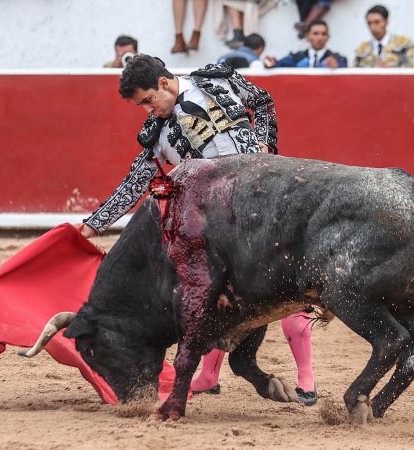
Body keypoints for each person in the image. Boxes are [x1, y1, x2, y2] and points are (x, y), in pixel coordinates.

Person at [79, 54, 317, 406]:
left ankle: (306, 380)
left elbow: (262, 102)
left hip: (269, 194)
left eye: (148, 100)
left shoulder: (216, 79)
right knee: (219, 293)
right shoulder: (159, 135)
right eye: (141, 106)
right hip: (225, 226)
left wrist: (266, 145)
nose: (148, 110)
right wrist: (93, 225)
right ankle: (210, 376)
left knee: (297, 280)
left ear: (163, 83)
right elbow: (134, 183)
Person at [263, 20, 347, 69]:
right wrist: (270, 62)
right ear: (307, 36)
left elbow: (343, 65)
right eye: (316, 33)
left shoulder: (336, 58)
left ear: (328, 37)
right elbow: (276, 64)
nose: (320, 37)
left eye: (323, 34)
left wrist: (337, 66)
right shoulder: (297, 57)